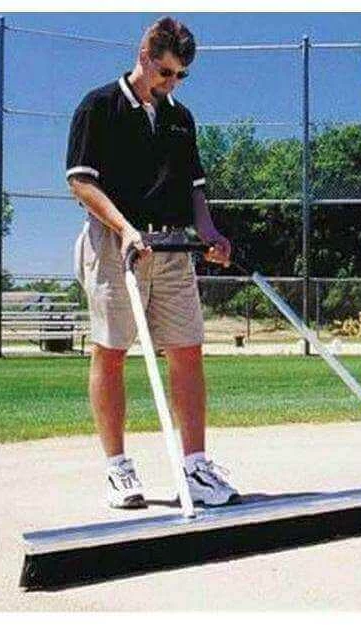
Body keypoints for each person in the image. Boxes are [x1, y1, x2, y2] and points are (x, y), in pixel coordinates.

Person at [66, 16, 239, 509]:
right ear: (144, 55)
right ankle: (118, 469)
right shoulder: (99, 106)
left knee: (187, 349)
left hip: (172, 247)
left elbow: (195, 188)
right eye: (166, 72)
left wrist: (208, 233)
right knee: (112, 350)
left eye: (181, 76)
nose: (172, 83)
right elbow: (81, 181)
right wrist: (125, 229)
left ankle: (196, 468)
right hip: (115, 244)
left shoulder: (181, 119)